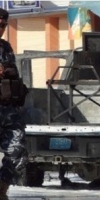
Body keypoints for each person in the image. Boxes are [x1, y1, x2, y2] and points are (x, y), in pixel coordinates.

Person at [0, 8, 28, 200]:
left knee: (18, 154)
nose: (1, 28)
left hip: (8, 110)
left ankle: (1, 190)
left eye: (3, 25)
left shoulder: (6, 47)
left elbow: (15, 76)